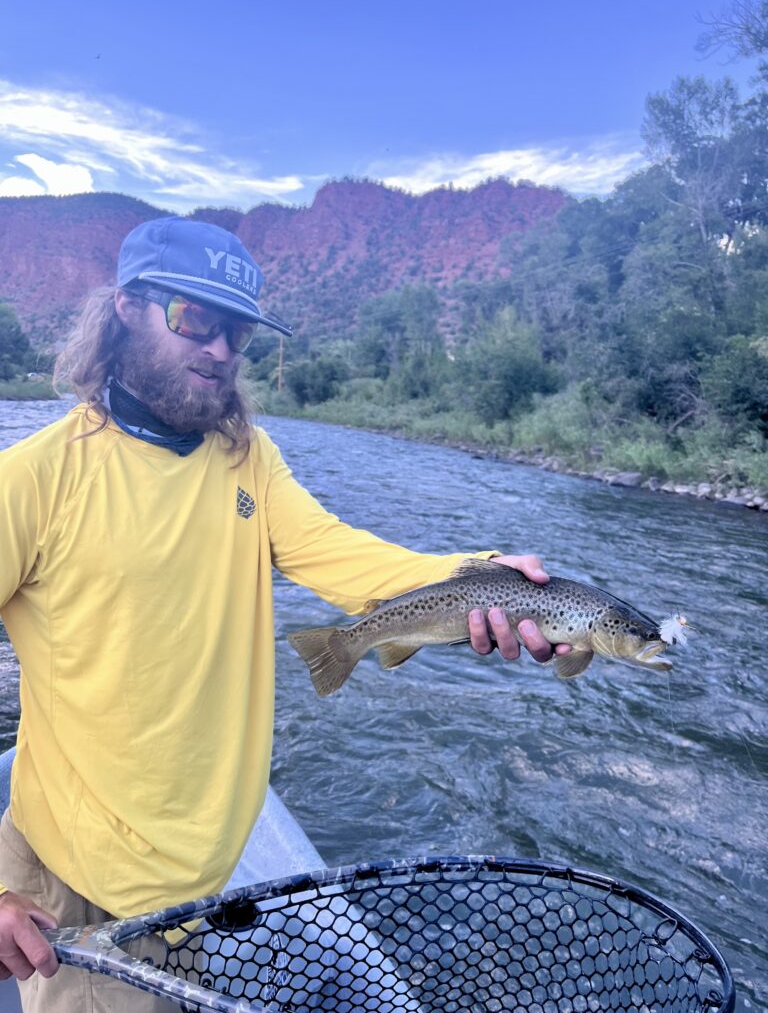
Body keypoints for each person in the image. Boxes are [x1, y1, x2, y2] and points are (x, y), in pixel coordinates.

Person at [0, 216, 570, 1012]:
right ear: (125, 308)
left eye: (238, 332)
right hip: (76, 879)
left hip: (195, 875)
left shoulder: (248, 459)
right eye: (195, 319)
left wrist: (482, 578)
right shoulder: (32, 481)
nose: (220, 351)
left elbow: (351, 558)